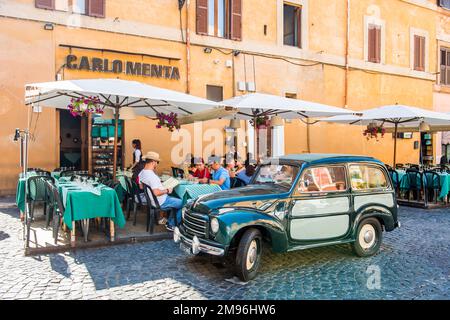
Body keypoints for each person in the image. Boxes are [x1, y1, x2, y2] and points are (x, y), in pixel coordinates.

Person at [138, 151, 182, 231]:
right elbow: (156, 192)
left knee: (176, 199)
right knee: (184, 203)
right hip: (161, 201)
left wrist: (160, 186)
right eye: (157, 162)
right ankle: (171, 224)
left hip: (151, 201)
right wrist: (167, 190)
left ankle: (170, 221)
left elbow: (141, 187)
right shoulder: (151, 176)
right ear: (153, 162)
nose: (157, 164)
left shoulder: (141, 173)